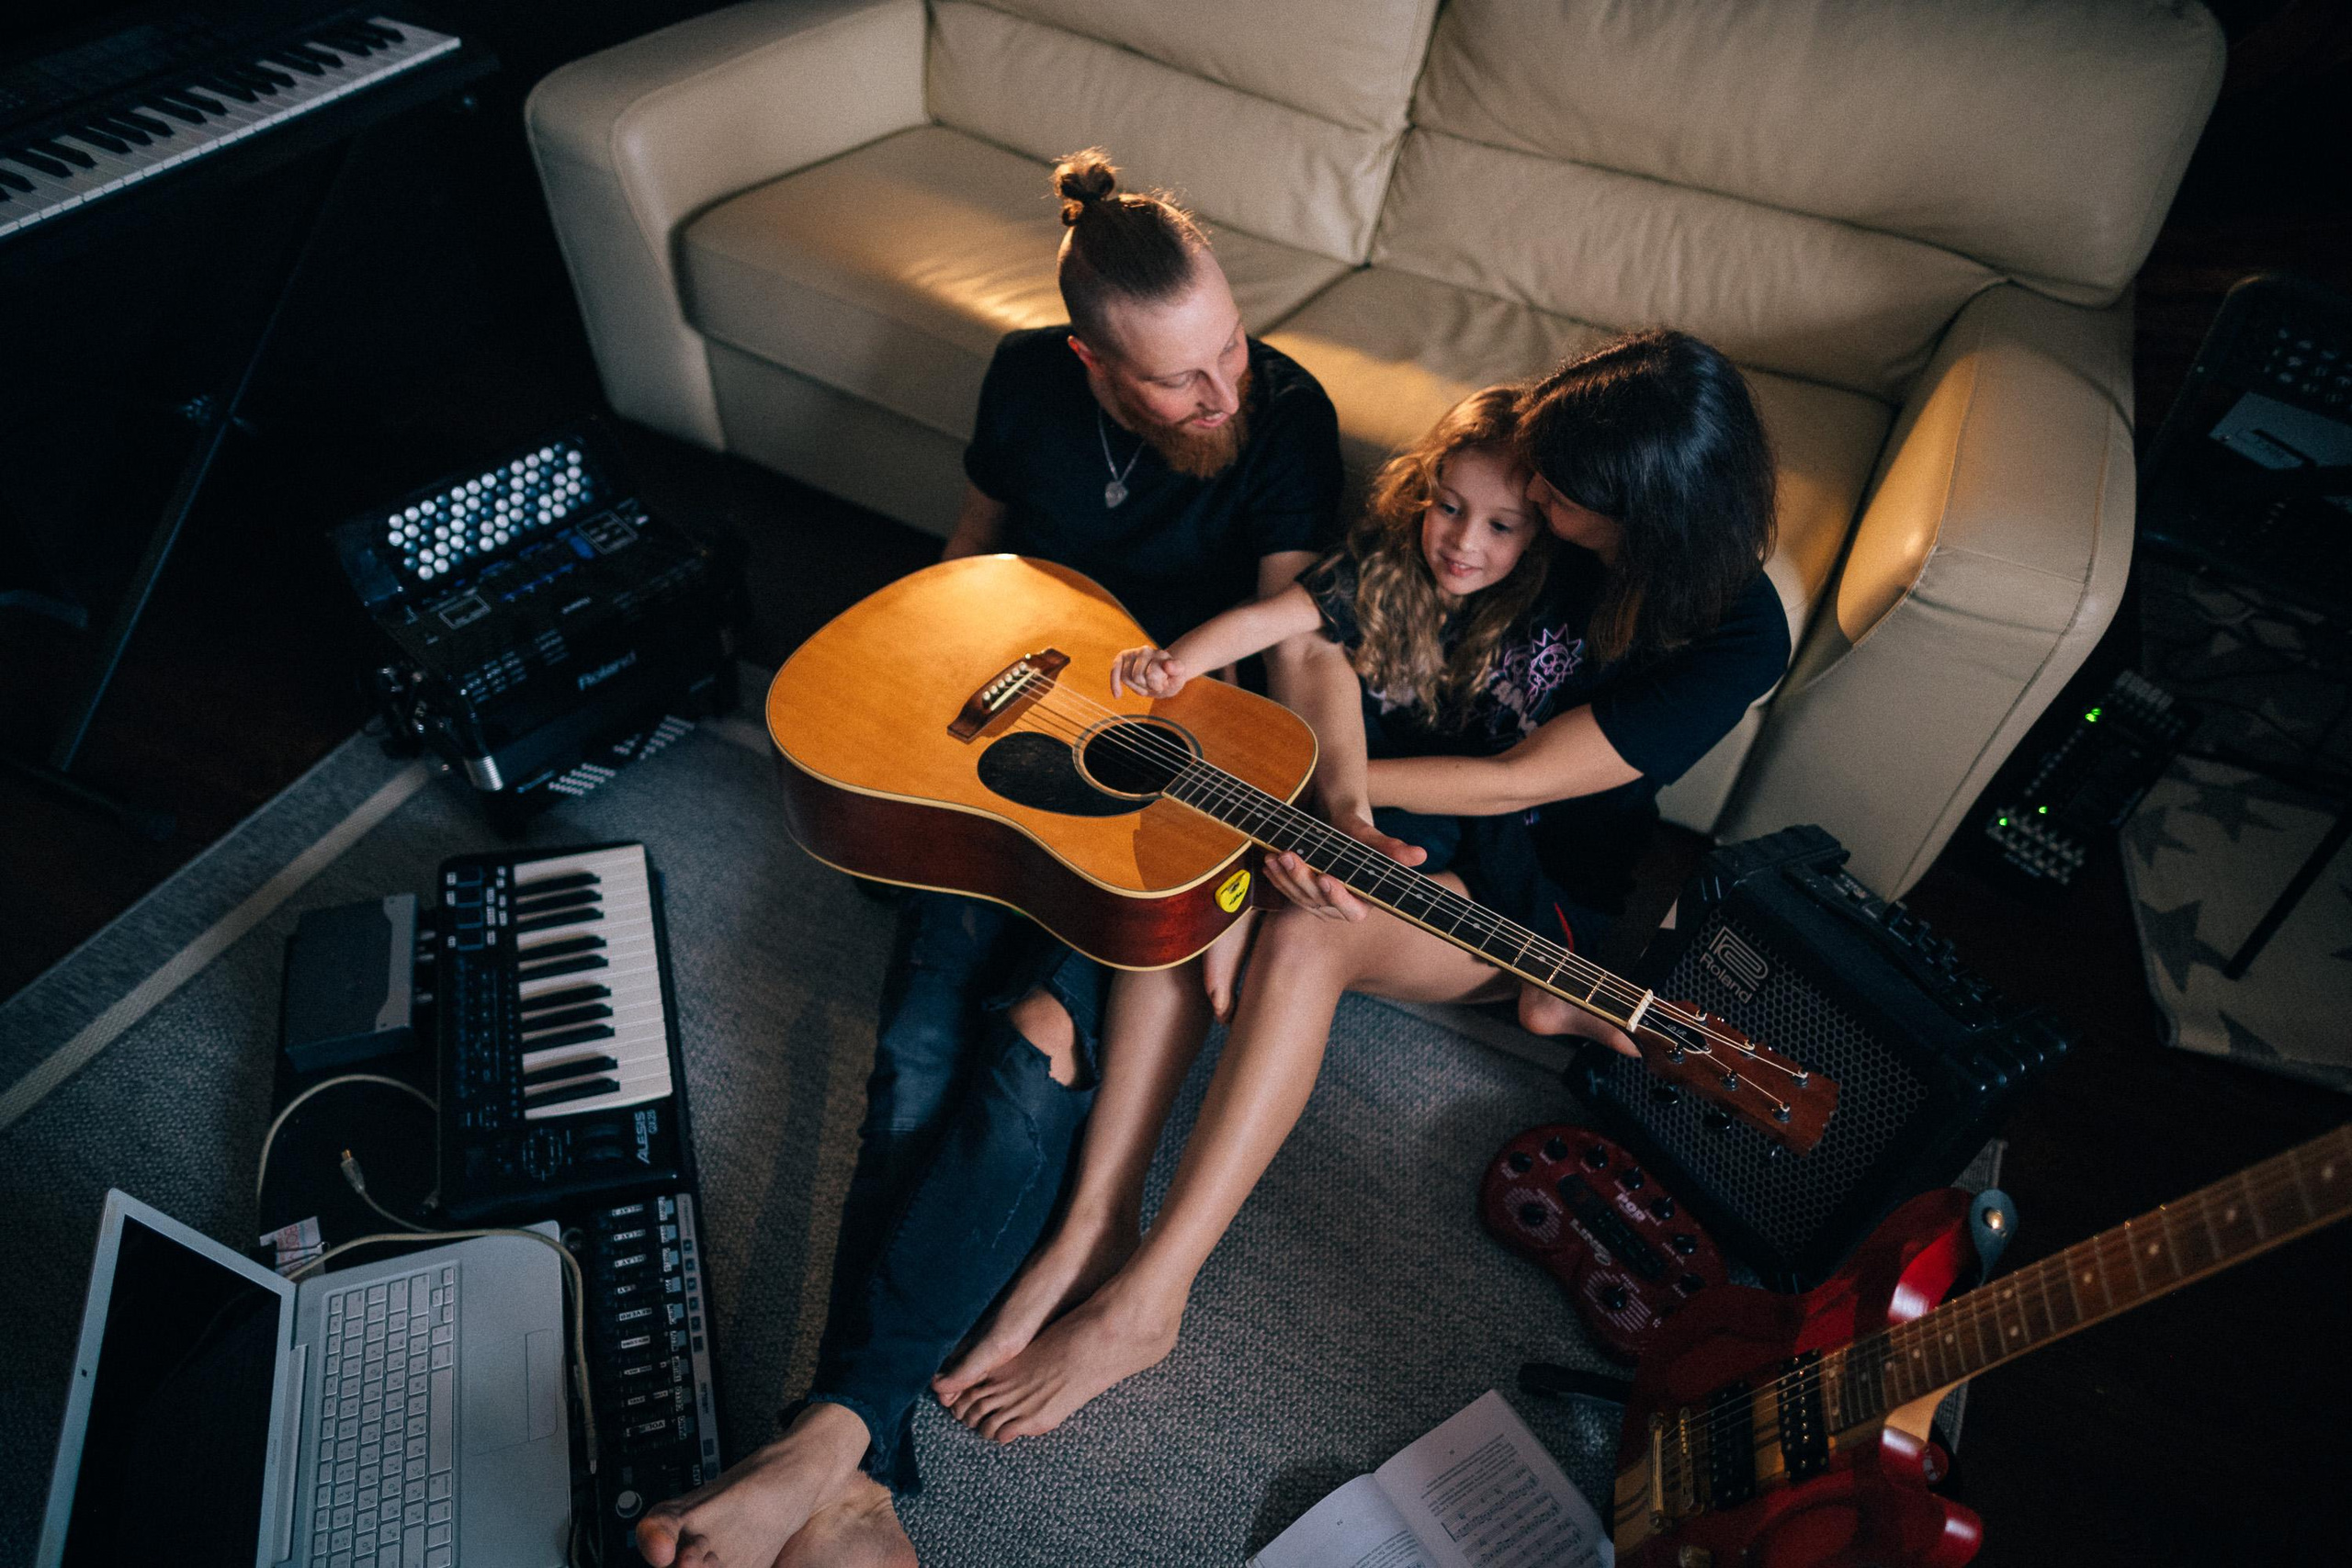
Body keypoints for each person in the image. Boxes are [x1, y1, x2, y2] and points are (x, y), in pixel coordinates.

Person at [632, 149, 1341, 1568]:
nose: (1224, 395)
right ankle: (847, 1464)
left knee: (1028, 1044)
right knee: (910, 1041)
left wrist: (1333, 807)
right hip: (1006, 762)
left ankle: (831, 1443)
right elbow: (975, 556)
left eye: (1230, 351)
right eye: (1178, 381)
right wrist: (895, 709)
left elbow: (1305, 634)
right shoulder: (1024, 381)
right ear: (1091, 364)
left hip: (1167, 793)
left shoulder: (1285, 416)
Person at [933, 332, 1792, 1445]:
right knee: (1200, 890)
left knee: (1301, 934)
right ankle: (1092, 1226)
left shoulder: (1730, 631)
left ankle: (1154, 1296)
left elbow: (1515, 783)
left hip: (1510, 870)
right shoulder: (1509, 472)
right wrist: (1314, 806)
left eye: (1556, 497)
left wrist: (1290, 810)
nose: (1528, 497)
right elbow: (1318, 642)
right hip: (1349, 797)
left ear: (1643, 518)